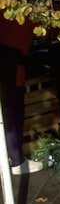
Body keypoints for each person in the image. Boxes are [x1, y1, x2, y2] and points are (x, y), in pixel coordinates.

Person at [0, 16, 42, 176]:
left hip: (9, 68)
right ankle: (16, 160)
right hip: (11, 71)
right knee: (13, 116)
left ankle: (9, 158)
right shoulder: (25, 14)